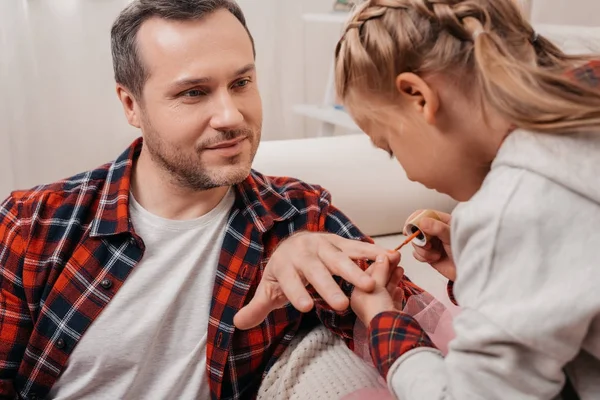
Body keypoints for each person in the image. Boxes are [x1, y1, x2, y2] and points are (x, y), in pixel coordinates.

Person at [0, 1, 422, 399]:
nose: (231, 117)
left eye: (241, 83)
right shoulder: (33, 225)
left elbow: (412, 326)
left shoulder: (300, 217)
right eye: (194, 93)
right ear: (131, 105)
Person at [334, 0, 600, 399]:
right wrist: (486, 269)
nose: (406, 172)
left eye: (389, 146)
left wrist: (383, 321)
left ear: (417, 96)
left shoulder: (509, 210)